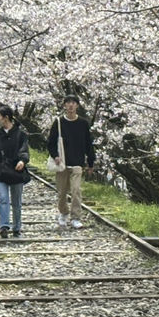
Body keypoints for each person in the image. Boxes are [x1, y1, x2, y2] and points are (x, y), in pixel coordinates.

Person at [47, 94, 95, 229]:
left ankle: (75, 217)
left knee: (76, 191)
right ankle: (63, 213)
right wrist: (55, 156)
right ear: (64, 105)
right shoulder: (58, 122)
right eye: (68, 103)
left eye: (73, 103)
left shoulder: (83, 123)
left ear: (77, 106)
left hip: (77, 163)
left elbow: (88, 144)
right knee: (61, 193)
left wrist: (90, 162)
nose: (71, 105)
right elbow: (50, 142)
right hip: (62, 163)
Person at [0, 105, 30, 239]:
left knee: (16, 201)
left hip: (16, 171)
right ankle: (4, 226)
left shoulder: (20, 134)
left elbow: (24, 150)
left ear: (6, 118)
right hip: (1, 171)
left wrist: (22, 161)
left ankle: (17, 227)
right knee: (3, 198)